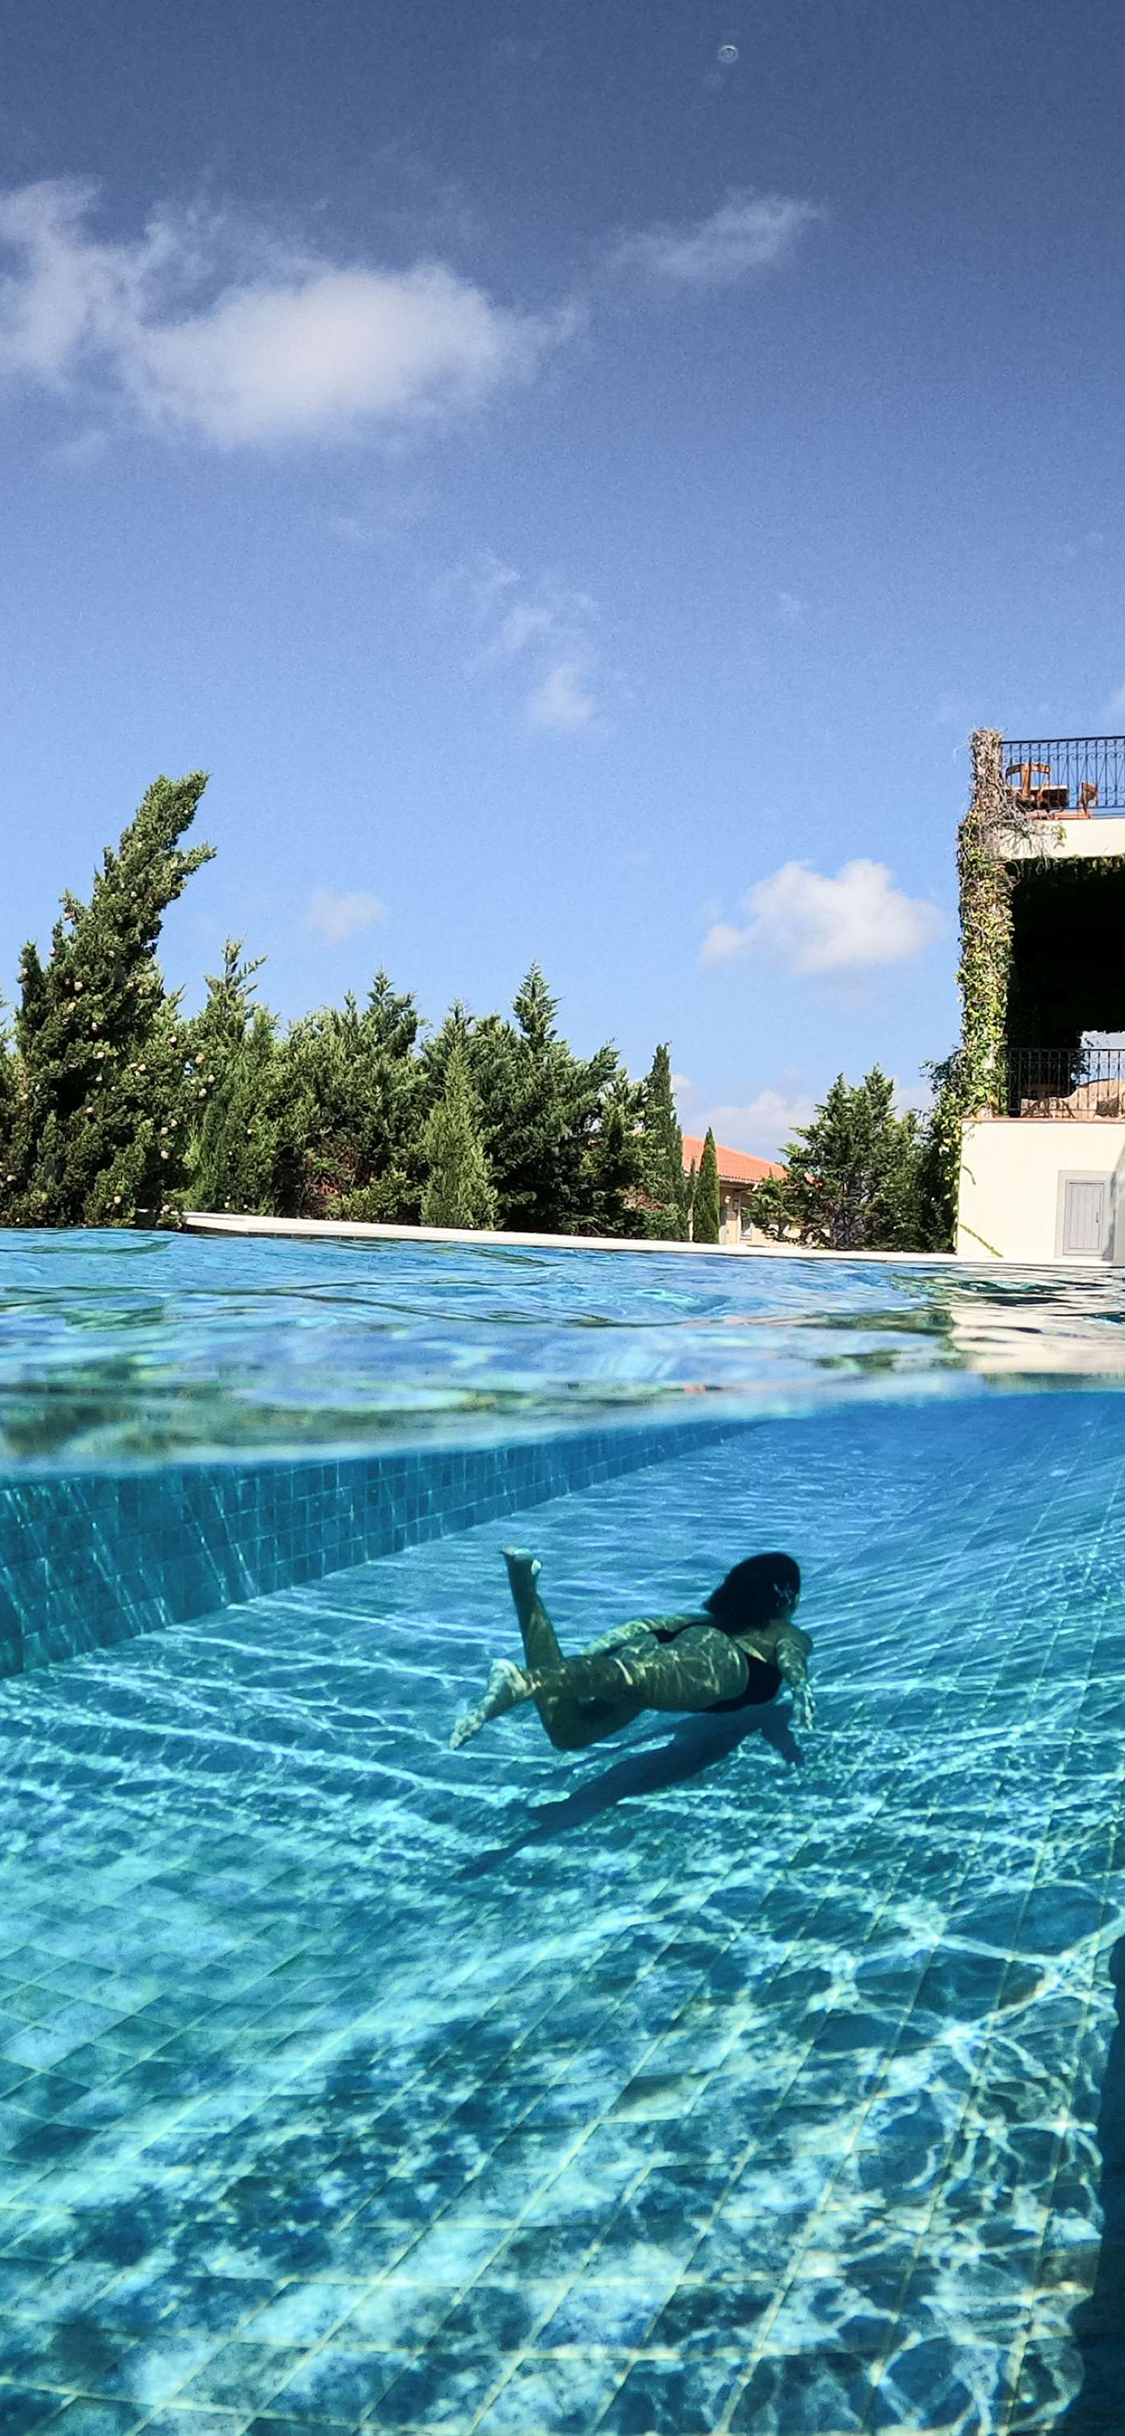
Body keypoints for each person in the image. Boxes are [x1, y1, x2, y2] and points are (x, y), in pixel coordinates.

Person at [451, 1547, 813, 1753]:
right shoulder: (784, 1631)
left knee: (568, 1733)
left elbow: (645, 1627)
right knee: (630, 1680)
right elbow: (791, 1658)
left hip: (658, 1643)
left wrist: (586, 1657)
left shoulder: (704, 1620)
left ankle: (524, 1587)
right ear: (787, 1599)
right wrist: (800, 1691)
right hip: (723, 1665)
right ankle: (524, 1681)